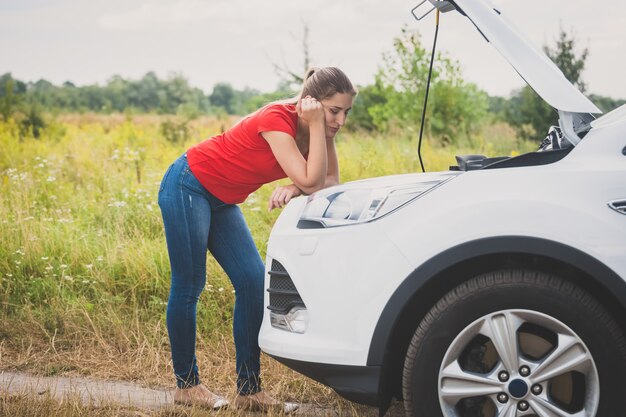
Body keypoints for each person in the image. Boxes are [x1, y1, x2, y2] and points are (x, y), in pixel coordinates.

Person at [157, 67, 356, 412]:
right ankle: (186, 386)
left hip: (221, 200)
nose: (340, 120)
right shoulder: (276, 119)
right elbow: (314, 180)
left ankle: (249, 392)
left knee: (252, 281)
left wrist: (296, 184)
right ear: (309, 103)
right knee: (189, 285)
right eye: (334, 110)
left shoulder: (318, 129)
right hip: (189, 183)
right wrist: (305, 179)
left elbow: (331, 180)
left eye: (345, 112)